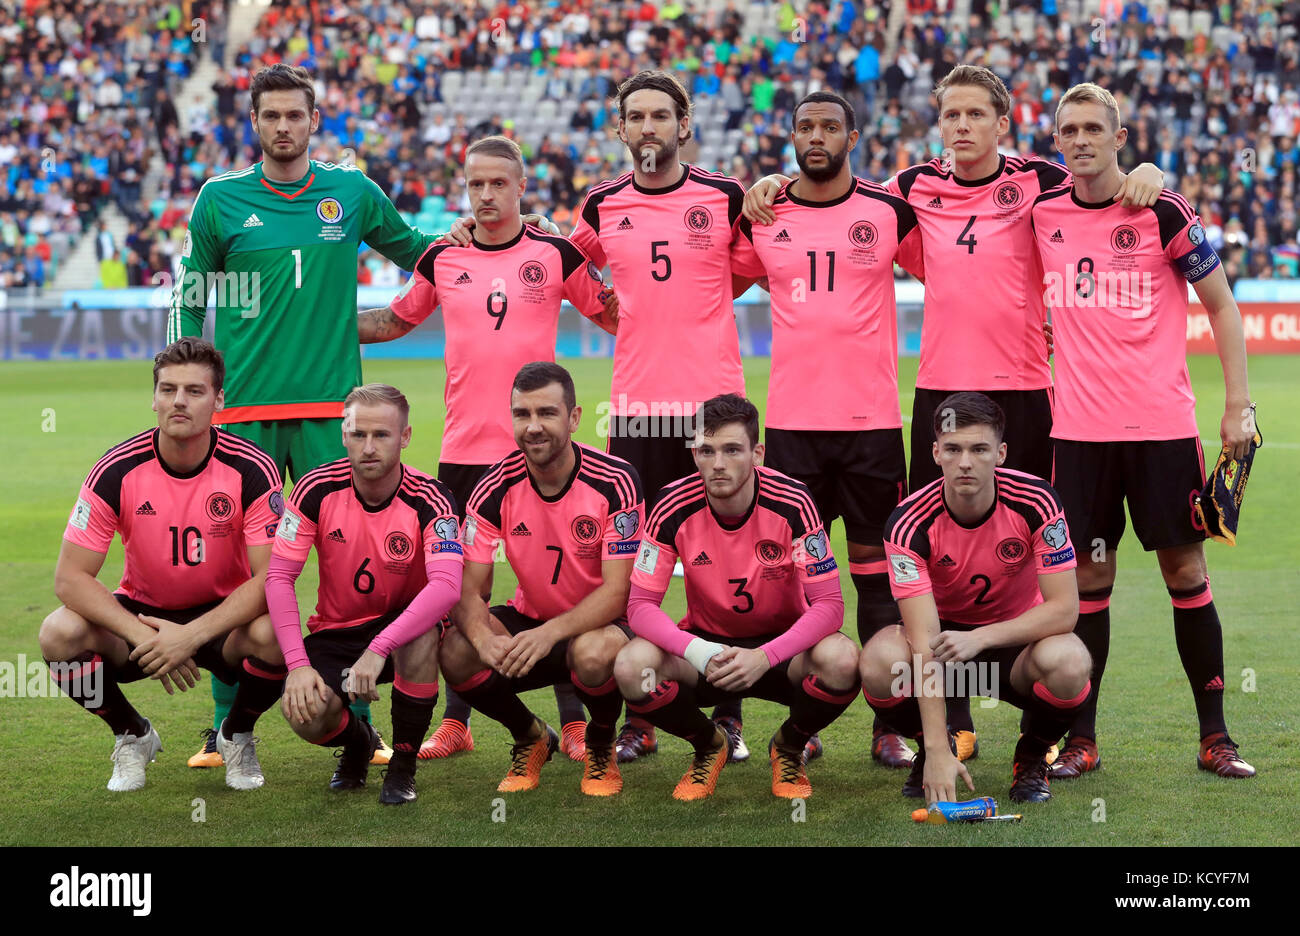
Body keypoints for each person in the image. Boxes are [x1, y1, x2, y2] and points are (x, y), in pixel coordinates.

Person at [743, 64, 1165, 764]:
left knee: (1042, 554)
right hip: (940, 393)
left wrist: (1146, 166)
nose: (962, 127)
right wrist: (771, 187)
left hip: (1027, 394)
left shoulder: (1040, 177)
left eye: (976, 115)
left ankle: (1070, 731)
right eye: (952, 116)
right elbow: (838, 202)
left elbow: (1103, 179)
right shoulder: (910, 188)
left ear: (1003, 123)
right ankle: (955, 721)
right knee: (937, 556)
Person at [167, 63, 455, 768]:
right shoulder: (220, 200)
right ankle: (226, 727)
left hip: (334, 411)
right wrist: (192, 381)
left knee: (347, 567)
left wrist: (485, 233)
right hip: (242, 418)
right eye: (272, 116)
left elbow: (424, 255)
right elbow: (190, 296)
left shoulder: (350, 192)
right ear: (255, 123)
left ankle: (355, 715)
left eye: (296, 114)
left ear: (314, 119)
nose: (284, 126)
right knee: (237, 572)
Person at [357, 136, 617, 763]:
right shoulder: (443, 258)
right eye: (476, 184)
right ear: (465, 186)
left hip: (540, 450)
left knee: (557, 577)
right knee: (454, 587)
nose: (487, 195)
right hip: (465, 451)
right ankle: (459, 721)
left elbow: (613, 314)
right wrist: (308, 315)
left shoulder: (554, 253)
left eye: (499, 184)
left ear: (521, 187)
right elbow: (393, 322)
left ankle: (574, 720)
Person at [1030, 83, 1255, 779]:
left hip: (1161, 431)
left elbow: (1221, 305)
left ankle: (1216, 737)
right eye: (1069, 129)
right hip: (1078, 436)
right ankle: (1082, 741)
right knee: (1088, 581)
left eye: (1095, 128)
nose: (1081, 139)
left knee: (1185, 571)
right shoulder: (1040, 213)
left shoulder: (1160, 208)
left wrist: (1238, 407)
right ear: (1058, 140)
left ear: (1121, 139)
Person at [731, 90, 923, 767]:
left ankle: (887, 725)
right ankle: (801, 723)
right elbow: (709, 276)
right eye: (804, 126)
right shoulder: (764, 213)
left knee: (877, 582)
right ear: (790, 136)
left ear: (853, 134)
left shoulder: (889, 210)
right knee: (788, 585)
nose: (817, 136)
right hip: (790, 429)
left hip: (870, 428)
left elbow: (959, 267)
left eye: (830, 126)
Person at [568, 69, 753, 763]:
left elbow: (749, 269)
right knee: (634, 568)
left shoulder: (725, 197)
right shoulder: (600, 204)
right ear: (620, 129)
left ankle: (730, 717)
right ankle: (641, 713)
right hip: (638, 412)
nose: (648, 127)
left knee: (724, 564)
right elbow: (566, 267)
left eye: (660, 115)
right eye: (634, 116)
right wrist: (613, 314)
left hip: (714, 412)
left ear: (684, 125)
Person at [38, 338, 286, 792]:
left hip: (222, 618)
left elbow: (272, 578)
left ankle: (237, 734)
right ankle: (131, 734)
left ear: (219, 400)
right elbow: (69, 578)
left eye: (194, 390)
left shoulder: (253, 468)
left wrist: (191, 636)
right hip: (143, 614)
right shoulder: (116, 469)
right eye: (168, 389)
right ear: (153, 398)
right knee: (58, 632)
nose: (178, 401)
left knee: (276, 634)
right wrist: (143, 636)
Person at [613, 394, 859, 801]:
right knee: (631, 666)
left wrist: (765, 656)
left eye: (732, 450)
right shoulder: (671, 503)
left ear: (757, 452)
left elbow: (830, 605)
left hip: (782, 655)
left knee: (843, 659)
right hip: (708, 654)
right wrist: (697, 650)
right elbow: (639, 607)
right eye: (706, 451)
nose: (718, 463)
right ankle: (711, 743)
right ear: (693, 452)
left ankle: (789, 746)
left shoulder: (794, 500)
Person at [863, 392, 1092, 804]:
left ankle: (1031, 757)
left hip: (1012, 651)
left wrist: (981, 637)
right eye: (953, 449)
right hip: (942, 652)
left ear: (1001, 453)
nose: (965, 461)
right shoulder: (907, 522)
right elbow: (922, 641)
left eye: (979, 449)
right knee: (879, 661)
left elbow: (1065, 609)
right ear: (935, 452)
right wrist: (934, 749)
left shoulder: (1037, 501)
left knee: (1071, 661)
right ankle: (939, 751)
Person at [439, 362, 644, 795]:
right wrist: (483, 639)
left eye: (547, 413)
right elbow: (467, 589)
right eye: (522, 414)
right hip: (532, 623)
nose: (533, 427)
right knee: (456, 649)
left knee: (593, 652)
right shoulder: (494, 485)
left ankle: (601, 746)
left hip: (601, 628)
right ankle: (530, 736)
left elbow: (618, 590)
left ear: (573, 418)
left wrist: (551, 633)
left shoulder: (615, 480)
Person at [265, 384, 464, 804]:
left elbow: (446, 587)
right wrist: (298, 665)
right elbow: (279, 577)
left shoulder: (432, 497)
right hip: (337, 630)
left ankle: (403, 766)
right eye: (358, 435)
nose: (368, 447)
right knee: (306, 714)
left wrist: (379, 647)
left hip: (402, 629)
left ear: (405, 437)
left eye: (382, 435)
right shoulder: (313, 488)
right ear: (344, 435)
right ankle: (359, 742)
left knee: (422, 635)